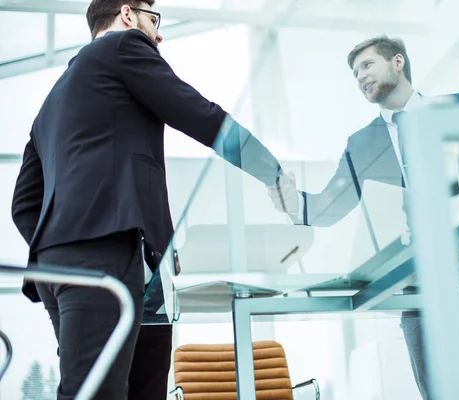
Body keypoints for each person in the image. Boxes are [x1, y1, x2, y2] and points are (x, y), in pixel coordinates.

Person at [11, 1, 282, 399]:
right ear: (126, 14)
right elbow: (199, 114)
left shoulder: (51, 104)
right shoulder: (122, 48)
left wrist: (60, 246)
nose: (158, 33)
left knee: (128, 387)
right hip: (103, 258)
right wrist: (271, 172)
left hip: (76, 269)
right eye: (153, 20)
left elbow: (23, 204)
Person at [268, 36, 459, 399]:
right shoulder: (361, 143)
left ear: (397, 62)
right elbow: (327, 209)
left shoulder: (458, 107)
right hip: (417, 289)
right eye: (355, 73)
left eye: (366, 65)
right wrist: (290, 202)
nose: (360, 76)